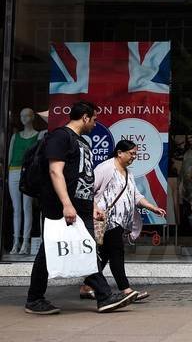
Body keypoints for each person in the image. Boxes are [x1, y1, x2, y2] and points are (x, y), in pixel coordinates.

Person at [24, 101, 139, 314]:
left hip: (81, 207)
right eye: (94, 119)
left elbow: (83, 178)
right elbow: (55, 171)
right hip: (61, 207)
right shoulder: (61, 137)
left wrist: (92, 204)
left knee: (81, 250)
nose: (95, 123)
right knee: (62, 251)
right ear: (85, 117)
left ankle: (38, 298)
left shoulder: (82, 142)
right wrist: (67, 205)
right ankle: (100, 296)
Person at [80, 140, 167, 301]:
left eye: (135, 154)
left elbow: (135, 195)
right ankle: (126, 290)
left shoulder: (128, 173)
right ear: (120, 153)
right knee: (116, 252)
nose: (134, 157)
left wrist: (152, 207)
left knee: (105, 254)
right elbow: (88, 189)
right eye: (131, 153)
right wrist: (94, 209)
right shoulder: (106, 168)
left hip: (120, 221)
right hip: (106, 220)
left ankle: (87, 286)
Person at [7, 108, 39, 254]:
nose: (23, 118)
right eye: (21, 116)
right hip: (13, 171)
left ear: (33, 117)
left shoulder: (38, 135)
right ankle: (16, 242)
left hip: (27, 173)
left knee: (27, 208)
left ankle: (25, 242)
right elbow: (10, 156)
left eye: (26, 115)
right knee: (16, 209)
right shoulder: (15, 136)